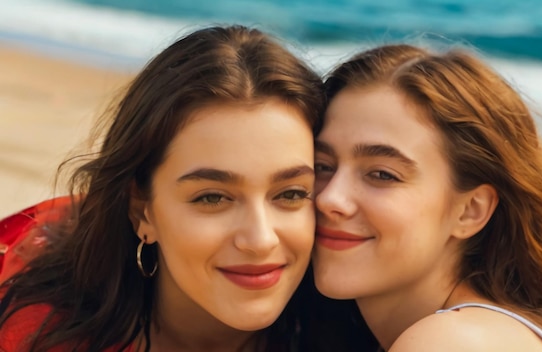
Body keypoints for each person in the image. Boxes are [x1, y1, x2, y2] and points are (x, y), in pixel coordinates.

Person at [0, 24, 381, 352]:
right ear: (142, 210)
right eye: (212, 197)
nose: (260, 239)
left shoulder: (365, 327)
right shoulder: (36, 332)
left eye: (291, 194)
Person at [312, 44, 542, 351]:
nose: (330, 198)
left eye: (382, 174)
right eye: (322, 166)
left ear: (470, 211)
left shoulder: (449, 342)